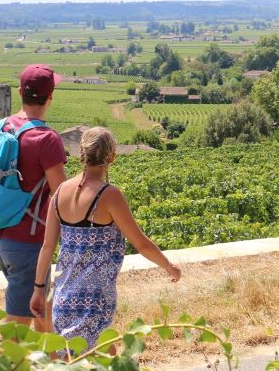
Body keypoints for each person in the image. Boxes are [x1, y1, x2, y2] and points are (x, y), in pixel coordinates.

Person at [30, 127, 181, 347]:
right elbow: (141, 244)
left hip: (63, 297)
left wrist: (37, 291)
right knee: (98, 357)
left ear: (81, 154)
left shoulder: (60, 191)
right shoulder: (109, 196)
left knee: (74, 359)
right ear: (112, 157)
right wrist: (169, 266)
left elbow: (46, 247)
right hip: (95, 300)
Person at [0, 64, 67, 331]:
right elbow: (62, 196)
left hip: (2, 237)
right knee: (16, 330)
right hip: (29, 244)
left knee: (41, 313)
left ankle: (50, 360)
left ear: (20, 92)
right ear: (50, 96)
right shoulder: (46, 138)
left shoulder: (2, 127)